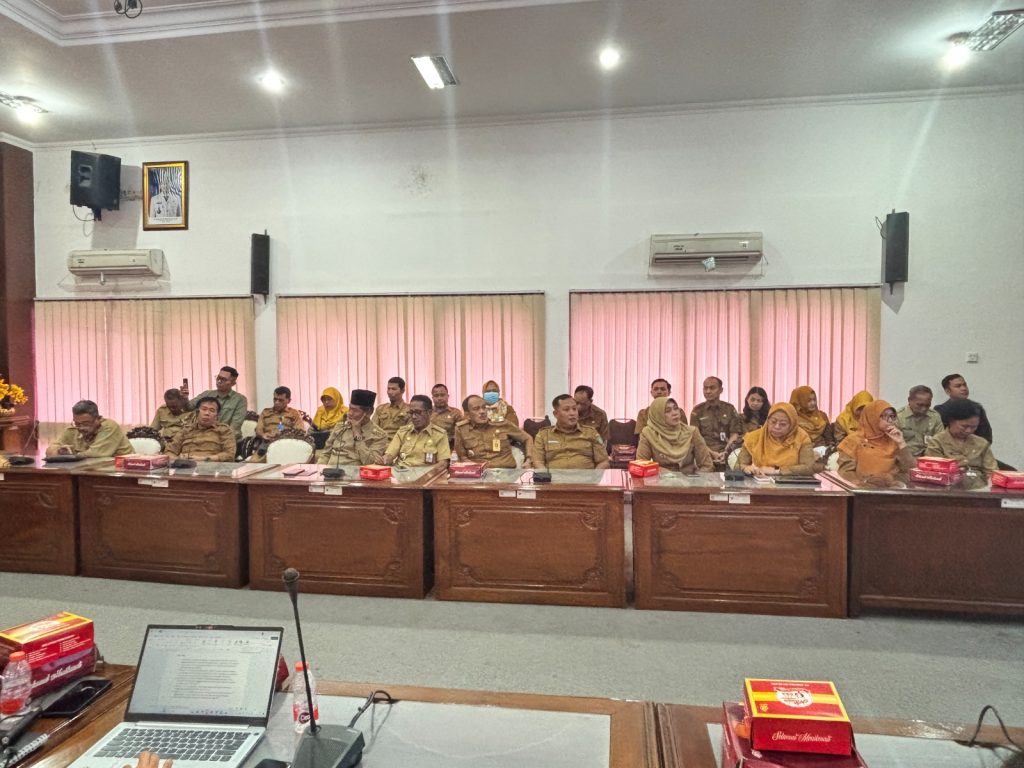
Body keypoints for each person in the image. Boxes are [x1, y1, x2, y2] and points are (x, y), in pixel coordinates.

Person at [836, 400, 915, 487]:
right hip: (862, 489)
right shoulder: (853, 440)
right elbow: (845, 473)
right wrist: (864, 484)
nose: (890, 420)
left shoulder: (893, 439)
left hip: (891, 488)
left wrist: (901, 443)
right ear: (872, 417)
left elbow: (910, 470)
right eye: (884, 416)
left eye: (892, 416)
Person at [531, 394, 610, 470]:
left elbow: (603, 461)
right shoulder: (543, 435)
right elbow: (537, 462)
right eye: (566, 410)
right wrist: (545, 477)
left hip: (585, 478)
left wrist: (594, 476)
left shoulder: (591, 433)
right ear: (555, 414)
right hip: (554, 478)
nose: (572, 413)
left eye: (574, 409)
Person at [736, 403, 817, 476]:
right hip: (761, 484)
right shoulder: (754, 437)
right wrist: (746, 468)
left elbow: (809, 468)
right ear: (767, 421)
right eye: (773, 422)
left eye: (783, 424)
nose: (777, 427)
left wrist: (776, 471)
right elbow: (738, 465)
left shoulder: (802, 437)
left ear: (792, 425)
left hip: (793, 485)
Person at [636, 396, 713, 472]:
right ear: (658, 415)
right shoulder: (648, 434)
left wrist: (697, 478)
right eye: (668, 411)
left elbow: (707, 465)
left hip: (689, 478)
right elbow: (641, 465)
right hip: (662, 478)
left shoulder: (692, 432)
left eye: (676, 408)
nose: (675, 413)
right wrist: (661, 472)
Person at [454, 394, 534, 468]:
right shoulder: (461, 429)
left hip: (506, 472)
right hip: (479, 473)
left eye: (484, 407)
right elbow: (463, 457)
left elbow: (527, 438)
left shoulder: (502, 424)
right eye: (476, 409)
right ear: (467, 414)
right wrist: (475, 468)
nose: (482, 411)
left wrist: (529, 460)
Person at [923, 399, 998, 475]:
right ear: (951, 421)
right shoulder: (937, 442)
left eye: (973, 427)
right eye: (964, 426)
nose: (968, 430)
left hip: (979, 480)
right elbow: (935, 471)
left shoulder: (981, 443)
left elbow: (992, 471)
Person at [318, 389, 388, 466]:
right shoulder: (340, 427)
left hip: (354, 472)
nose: (349, 413)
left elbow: (370, 463)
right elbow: (325, 454)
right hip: (331, 470)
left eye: (355, 410)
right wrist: (319, 469)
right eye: (350, 408)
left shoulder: (379, 435)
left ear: (369, 412)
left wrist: (357, 435)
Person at [383, 395, 451, 469]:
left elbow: (443, 463)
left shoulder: (439, 435)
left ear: (429, 412)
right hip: (400, 471)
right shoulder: (403, 432)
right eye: (411, 413)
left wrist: (426, 473)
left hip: (425, 473)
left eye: (418, 412)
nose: (414, 417)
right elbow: (389, 455)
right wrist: (384, 460)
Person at [690, 376, 743, 469]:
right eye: (705, 388)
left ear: (721, 390)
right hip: (703, 453)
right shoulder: (697, 411)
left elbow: (734, 434)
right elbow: (695, 437)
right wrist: (711, 453)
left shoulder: (729, 409)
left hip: (727, 452)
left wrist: (726, 452)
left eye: (712, 388)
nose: (708, 391)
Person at [47, 400, 132, 457]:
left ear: (98, 419)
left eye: (86, 423)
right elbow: (50, 450)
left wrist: (71, 455)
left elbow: (95, 454)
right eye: (77, 423)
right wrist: (59, 451)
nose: (81, 427)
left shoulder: (109, 427)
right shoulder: (73, 430)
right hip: (87, 471)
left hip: (120, 472)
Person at [182, 366, 248, 438]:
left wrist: (217, 439)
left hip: (226, 438)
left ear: (233, 383)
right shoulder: (207, 394)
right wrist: (184, 398)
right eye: (218, 378)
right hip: (203, 436)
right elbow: (188, 408)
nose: (219, 381)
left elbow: (235, 427)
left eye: (223, 379)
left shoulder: (240, 400)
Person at [164, 397, 236, 461]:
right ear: (197, 412)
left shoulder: (224, 430)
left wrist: (203, 459)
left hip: (212, 468)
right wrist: (179, 460)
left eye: (212, 410)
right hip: (186, 467)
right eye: (204, 409)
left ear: (217, 416)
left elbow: (229, 455)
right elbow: (169, 452)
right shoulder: (186, 430)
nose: (207, 413)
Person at [934, 373, 993, 444]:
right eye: (958, 386)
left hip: (974, 448)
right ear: (947, 391)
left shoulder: (977, 408)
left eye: (965, 385)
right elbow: (938, 435)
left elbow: (986, 435)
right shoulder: (940, 410)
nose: (964, 388)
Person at [896, 384, 943, 457]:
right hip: (906, 457)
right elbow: (894, 445)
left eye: (927, 405)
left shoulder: (935, 416)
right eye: (920, 405)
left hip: (929, 456)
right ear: (909, 400)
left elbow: (940, 440)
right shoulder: (898, 417)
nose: (924, 409)